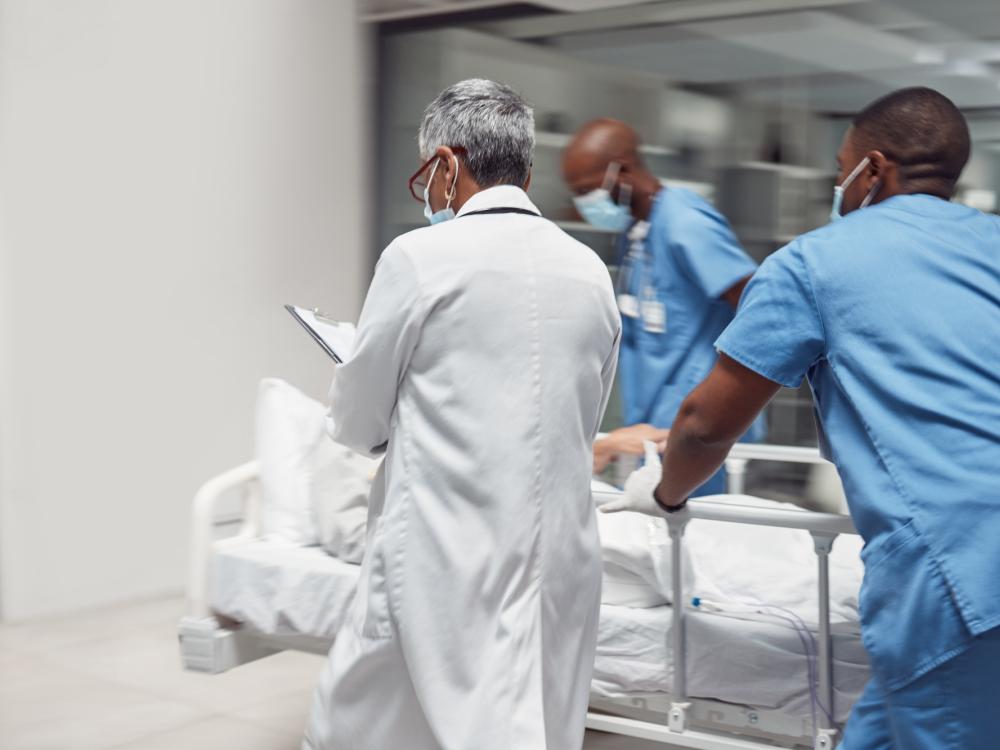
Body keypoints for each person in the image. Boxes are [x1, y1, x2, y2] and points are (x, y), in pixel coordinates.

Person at [605, 87, 1000, 748]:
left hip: (957, 573)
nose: (837, 186)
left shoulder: (815, 262)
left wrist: (664, 496)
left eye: (838, 169)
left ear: (870, 171)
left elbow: (704, 423)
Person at [303, 79, 621, 750]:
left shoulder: (419, 259)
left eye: (428, 175)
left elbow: (359, 426)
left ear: (446, 165)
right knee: (533, 724)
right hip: (561, 560)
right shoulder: (591, 271)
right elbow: (579, 421)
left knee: (368, 727)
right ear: (527, 171)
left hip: (441, 561)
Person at [563, 119, 764, 493]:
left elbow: (760, 307)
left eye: (586, 191)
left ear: (620, 172)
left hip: (696, 433)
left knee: (696, 543)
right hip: (653, 432)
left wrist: (725, 404)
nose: (580, 206)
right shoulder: (638, 231)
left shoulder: (684, 222)